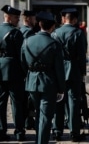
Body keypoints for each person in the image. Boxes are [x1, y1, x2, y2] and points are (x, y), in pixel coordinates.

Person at [21, 11, 66, 144]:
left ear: (39, 24)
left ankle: (39, 139)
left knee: (40, 114)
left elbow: (22, 63)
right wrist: (61, 88)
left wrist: (30, 74)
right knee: (45, 117)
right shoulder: (54, 44)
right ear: (52, 27)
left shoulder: (27, 41)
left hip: (32, 82)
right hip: (48, 83)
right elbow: (59, 69)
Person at [51, 8, 87, 142]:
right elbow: (82, 55)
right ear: (75, 19)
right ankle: (74, 131)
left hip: (58, 70)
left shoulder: (55, 33)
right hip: (73, 70)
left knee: (58, 101)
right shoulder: (78, 33)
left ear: (63, 19)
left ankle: (57, 131)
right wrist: (83, 72)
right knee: (74, 101)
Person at [0, 5, 25, 141]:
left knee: (0, 102)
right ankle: (19, 132)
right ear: (8, 17)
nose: (18, 20)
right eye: (16, 18)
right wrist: (24, 71)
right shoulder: (15, 33)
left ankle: (1, 131)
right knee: (17, 103)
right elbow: (21, 55)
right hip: (14, 70)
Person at [20, 10, 37, 130]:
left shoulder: (18, 31)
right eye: (34, 19)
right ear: (28, 19)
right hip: (27, 70)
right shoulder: (29, 33)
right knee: (29, 100)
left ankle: (24, 121)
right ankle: (29, 121)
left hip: (18, 70)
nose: (35, 21)